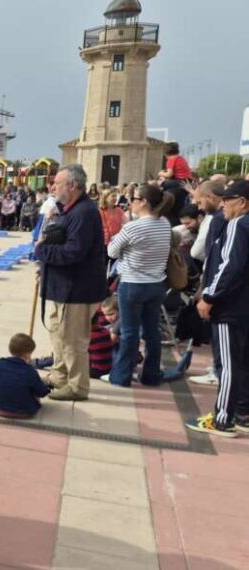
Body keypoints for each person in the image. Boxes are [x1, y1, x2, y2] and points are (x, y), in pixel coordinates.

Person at [36, 164, 109, 401]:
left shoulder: (84, 213)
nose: (53, 187)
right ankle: (60, 376)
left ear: (72, 185)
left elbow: (73, 252)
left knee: (72, 340)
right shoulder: (70, 210)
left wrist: (43, 252)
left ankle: (77, 387)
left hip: (76, 290)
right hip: (64, 287)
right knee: (59, 335)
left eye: (57, 183)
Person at [187, 181, 249, 437]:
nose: (223, 204)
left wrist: (210, 296)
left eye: (228, 199)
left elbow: (229, 265)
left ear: (242, 202)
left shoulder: (238, 225)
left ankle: (223, 417)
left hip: (230, 306)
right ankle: (242, 412)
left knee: (228, 363)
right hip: (243, 305)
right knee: (242, 362)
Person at [105, 184, 173, 387]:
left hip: (133, 283)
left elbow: (111, 252)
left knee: (129, 331)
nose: (130, 203)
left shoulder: (133, 227)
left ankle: (121, 376)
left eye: (133, 199)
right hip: (156, 283)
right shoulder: (165, 223)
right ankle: (151, 374)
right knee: (151, 331)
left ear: (143, 202)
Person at [0, 333, 50, 419]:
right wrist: (47, 387)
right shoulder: (30, 371)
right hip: (24, 412)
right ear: (27, 355)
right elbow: (41, 392)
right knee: (34, 390)